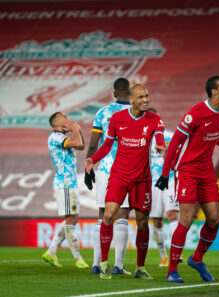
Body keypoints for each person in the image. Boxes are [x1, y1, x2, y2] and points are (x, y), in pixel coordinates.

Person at [85, 83, 166, 280]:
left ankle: (140, 267)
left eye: (146, 96)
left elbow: (160, 137)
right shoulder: (117, 118)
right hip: (119, 176)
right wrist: (92, 160)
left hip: (142, 179)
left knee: (143, 222)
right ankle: (104, 263)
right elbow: (106, 144)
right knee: (109, 215)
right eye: (140, 97)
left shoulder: (155, 119)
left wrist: (161, 146)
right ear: (131, 99)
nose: (145, 100)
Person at [155, 75, 219, 283]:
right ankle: (172, 270)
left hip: (206, 171)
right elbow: (175, 143)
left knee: (214, 219)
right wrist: (165, 174)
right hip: (187, 170)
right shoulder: (195, 114)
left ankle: (196, 259)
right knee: (186, 219)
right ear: (214, 92)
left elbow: (209, 135)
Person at [84, 78, 132, 275]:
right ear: (130, 92)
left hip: (105, 168)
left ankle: (96, 263)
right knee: (122, 214)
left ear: (114, 93)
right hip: (127, 169)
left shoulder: (102, 113)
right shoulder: (136, 112)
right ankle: (118, 265)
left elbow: (94, 145)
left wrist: (89, 166)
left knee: (103, 214)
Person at [42, 112, 89, 269]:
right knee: (71, 219)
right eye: (64, 119)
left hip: (70, 183)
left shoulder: (62, 137)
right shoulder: (56, 137)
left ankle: (51, 251)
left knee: (73, 218)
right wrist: (75, 129)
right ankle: (77, 258)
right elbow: (77, 142)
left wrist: (78, 130)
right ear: (56, 124)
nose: (68, 120)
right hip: (65, 183)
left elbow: (81, 145)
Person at [148, 107, 180, 267]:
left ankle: (175, 252)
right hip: (152, 183)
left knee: (173, 214)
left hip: (170, 180)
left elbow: (180, 155)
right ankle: (164, 256)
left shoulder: (171, 136)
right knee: (157, 221)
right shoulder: (144, 139)